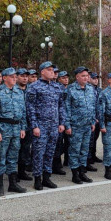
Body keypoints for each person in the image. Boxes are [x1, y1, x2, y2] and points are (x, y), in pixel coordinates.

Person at [25, 61, 65, 191]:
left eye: (52, 70)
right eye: (49, 69)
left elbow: (61, 106)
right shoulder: (34, 87)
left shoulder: (57, 87)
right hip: (41, 125)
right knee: (38, 153)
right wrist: (34, 126)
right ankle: (38, 178)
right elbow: (30, 107)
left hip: (54, 125)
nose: (52, 72)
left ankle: (47, 177)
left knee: (50, 152)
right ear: (42, 71)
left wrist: (61, 122)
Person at [0, 67, 27, 195]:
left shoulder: (19, 92)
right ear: (4, 78)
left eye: (15, 77)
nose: (14, 79)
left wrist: (23, 127)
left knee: (13, 157)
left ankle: (12, 184)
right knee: (0, 157)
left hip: (16, 128)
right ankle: (0, 186)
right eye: (12, 77)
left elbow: (23, 112)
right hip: (3, 128)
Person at [64, 67, 98, 185]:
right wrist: (67, 125)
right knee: (75, 151)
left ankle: (82, 172)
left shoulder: (90, 89)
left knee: (85, 150)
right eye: (83, 76)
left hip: (87, 125)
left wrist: (93, 122)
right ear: (77, 77)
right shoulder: (70, 90)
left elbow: (92, 107)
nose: (86, 78)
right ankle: (75, 174)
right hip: (76, 126)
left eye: (87, 76)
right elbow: (66, 108)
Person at [15, 68, 34, 180]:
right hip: (16, 125)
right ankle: (13, 173)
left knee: (25, 149)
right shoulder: (14, 89)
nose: (25, 78)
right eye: (22, 76)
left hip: (28, 124)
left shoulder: (31, 90)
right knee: (15, 149)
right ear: (17, 77)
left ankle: (22, 171)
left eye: (26, 76)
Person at [87, 71, 103, 165]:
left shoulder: (99, 90)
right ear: (89, 79)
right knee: (89, 140)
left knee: (95, 138)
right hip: (91, 119)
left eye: (97, 78)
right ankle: (88, 158)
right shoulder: (88, 89)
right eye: (94, 78)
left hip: (98, 118)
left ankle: (93, 155)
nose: (96, 80)